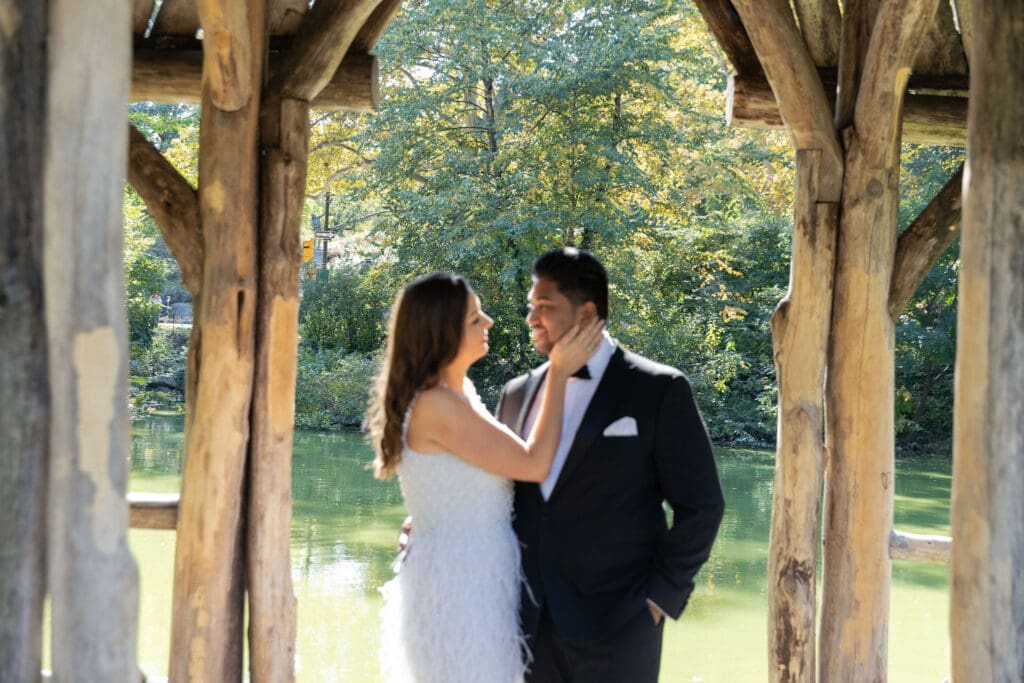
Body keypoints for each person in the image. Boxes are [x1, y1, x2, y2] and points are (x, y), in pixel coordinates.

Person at [495, 247, 725, 682]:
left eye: (545, 307)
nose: (532, 319)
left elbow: (702, 506)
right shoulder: (515, 393)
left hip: (621, 626)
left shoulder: (659, 389)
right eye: (532, 307)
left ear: (585, 314)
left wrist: (659, 600)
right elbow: (498, 498)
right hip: (525, 628)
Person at [367, 272, 604, 683]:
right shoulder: (438, 405)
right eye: (475, 319)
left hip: (476, 573)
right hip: (459, 586)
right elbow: (532, 464)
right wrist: (560, 374)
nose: (489, 322)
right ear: (444, 334)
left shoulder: (461, 393)